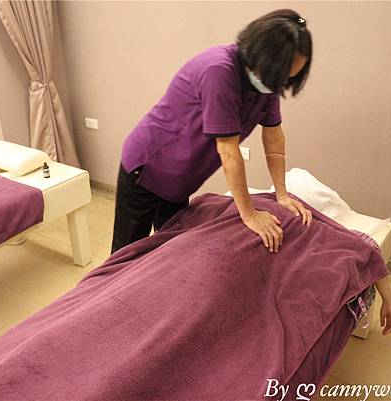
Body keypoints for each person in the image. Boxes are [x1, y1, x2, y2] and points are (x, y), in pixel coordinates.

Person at [112, 9, 313, 254]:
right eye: (280, 76)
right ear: (263, 55)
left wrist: (281, 194)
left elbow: (273, 137)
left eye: (287, 79)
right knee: (126, 256)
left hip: (180, 179)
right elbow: (228, 152)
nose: (280, 84)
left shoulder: (268, 83)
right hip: (148, 167)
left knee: (167, 253)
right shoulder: (219, 70)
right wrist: (249, 215)